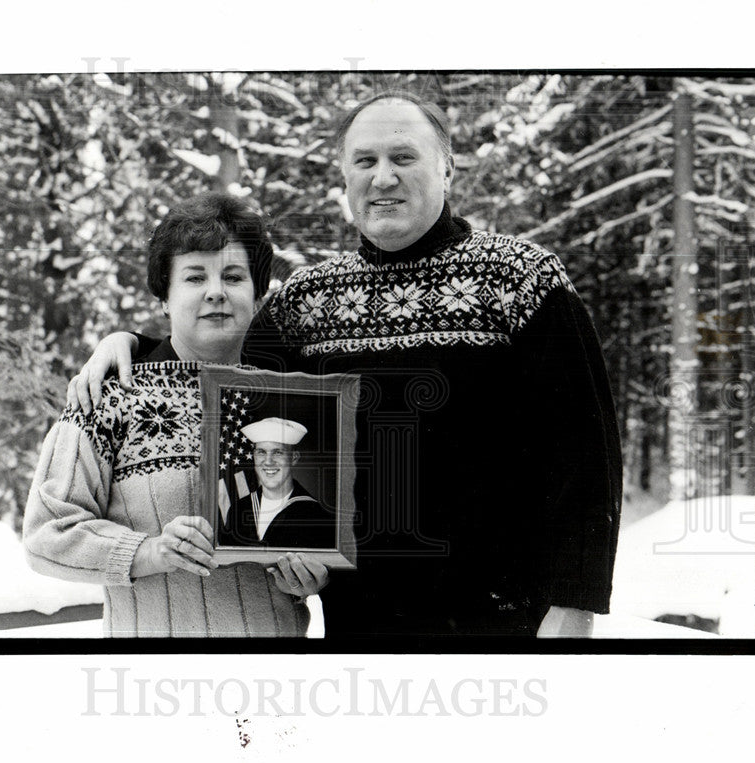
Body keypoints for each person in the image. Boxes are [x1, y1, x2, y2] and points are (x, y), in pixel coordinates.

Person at [67, 91, 622, 639]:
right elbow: (220, 358)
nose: (383, 178)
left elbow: (586, 452)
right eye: (366, 161)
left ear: (446, 169)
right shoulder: (312, 298)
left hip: (507, 616)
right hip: (363, 621)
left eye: (403, 158)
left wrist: (575, 603)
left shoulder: (521, 280)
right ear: (346, 177)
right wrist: (138, 347)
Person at [22, 193, 328, 637]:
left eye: (234, 276)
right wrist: (149, 553)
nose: (216, 292)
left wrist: (309, 578)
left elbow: (315, 531)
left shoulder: (291, 404)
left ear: (257, 295)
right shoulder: (111, 395)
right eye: (194, 277)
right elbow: (47, 533)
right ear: (164, 297)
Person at [219, 417, 337, 549]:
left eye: (278, 452)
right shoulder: (238, 510)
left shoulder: (317, 517)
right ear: (254, 457)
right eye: (261, 452)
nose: (268, 461)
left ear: (294, 458)